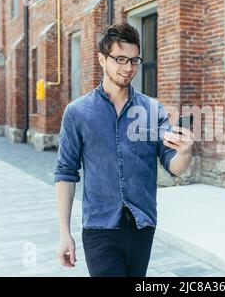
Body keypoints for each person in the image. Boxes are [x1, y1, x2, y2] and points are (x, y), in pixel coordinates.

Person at [54, 23, 194, 277]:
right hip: (100, 227)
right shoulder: (77, 112)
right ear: (101, 59)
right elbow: (65, 172)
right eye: (120, 59)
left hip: (142, 225)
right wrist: (64, 233)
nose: (128, 68)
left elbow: (173, 165)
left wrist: (184, 153)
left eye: (134, 60)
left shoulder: (153, 110)